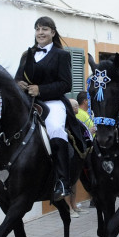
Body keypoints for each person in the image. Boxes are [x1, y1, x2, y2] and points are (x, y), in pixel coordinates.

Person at [15, 16, 74, 202]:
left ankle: (63, 180)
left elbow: (66, 84)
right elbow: (17, 78)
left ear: (53, 33)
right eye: (38, 29)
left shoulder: (61, 55)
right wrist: (20, 84)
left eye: (45, 29)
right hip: (27, 102)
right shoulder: (27, 54)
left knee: (56, 128)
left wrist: (41, 89)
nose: (40, 32)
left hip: (52, 102)